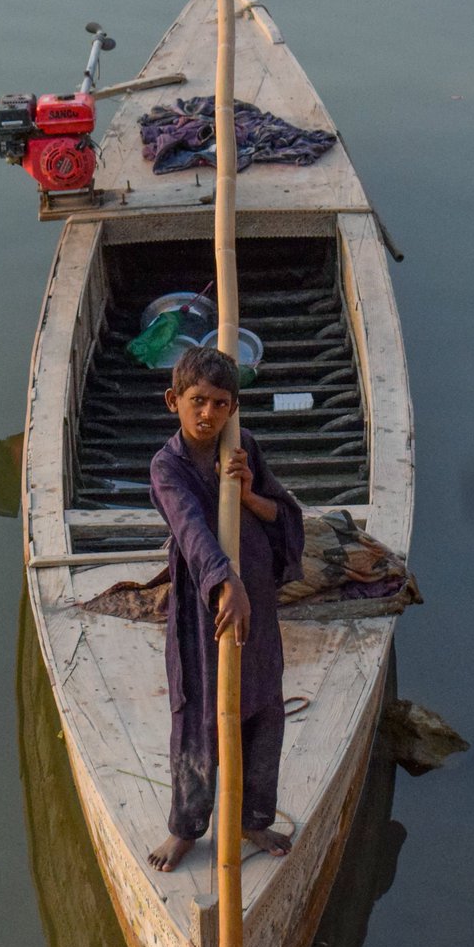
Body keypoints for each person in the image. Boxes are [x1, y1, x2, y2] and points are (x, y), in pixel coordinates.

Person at [147, 346, 305, 872]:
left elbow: (281, 514)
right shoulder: (167, 466)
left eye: (220, 403)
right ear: (174, 401)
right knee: (198, 716)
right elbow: (190, 529)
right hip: (202, 610)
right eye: (197, 401)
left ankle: (253, 820)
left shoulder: (243, 447)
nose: (208, 414)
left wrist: (246, 492)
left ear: (233, 408)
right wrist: (224, 582)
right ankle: (187, 828)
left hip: (254, 601)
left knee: (262, 707)